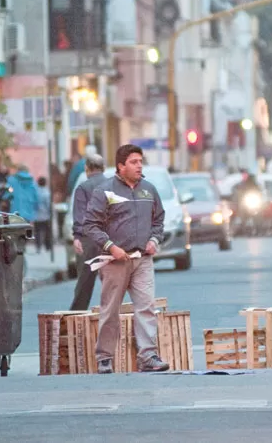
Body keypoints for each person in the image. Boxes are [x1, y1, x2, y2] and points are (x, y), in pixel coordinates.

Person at [83, 144, 169, 373]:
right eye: (133, 162)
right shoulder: (105, 191)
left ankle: (148, 356)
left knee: (146, 307)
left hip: (142, 260)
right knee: (110, 309)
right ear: (121, 166)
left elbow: (159, 220)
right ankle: (104, 357)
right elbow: (90, 225)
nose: (139, 165)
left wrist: (154, 240)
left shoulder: (149, 190)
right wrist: (111, 247)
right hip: (115, 262)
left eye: (140, 161)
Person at [69, 154, 107, 311]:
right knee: (111, 282)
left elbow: (80, 215)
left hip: (90, 238)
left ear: (86, 168)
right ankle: (111, 313)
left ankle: (76, 315)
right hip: (111, 239)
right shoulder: (113, 185)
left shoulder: (83, 188)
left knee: (84, 282)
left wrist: (77, 236)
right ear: (103, 168)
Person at [34, 176, 53, 252]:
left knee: (37, 232)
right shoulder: (46, 192)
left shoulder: (35, 192)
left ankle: (38, 246)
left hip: (37, 215)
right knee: (47, 232)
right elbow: (48, 204)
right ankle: (47, 246)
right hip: (45, 215)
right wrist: (50, 212)